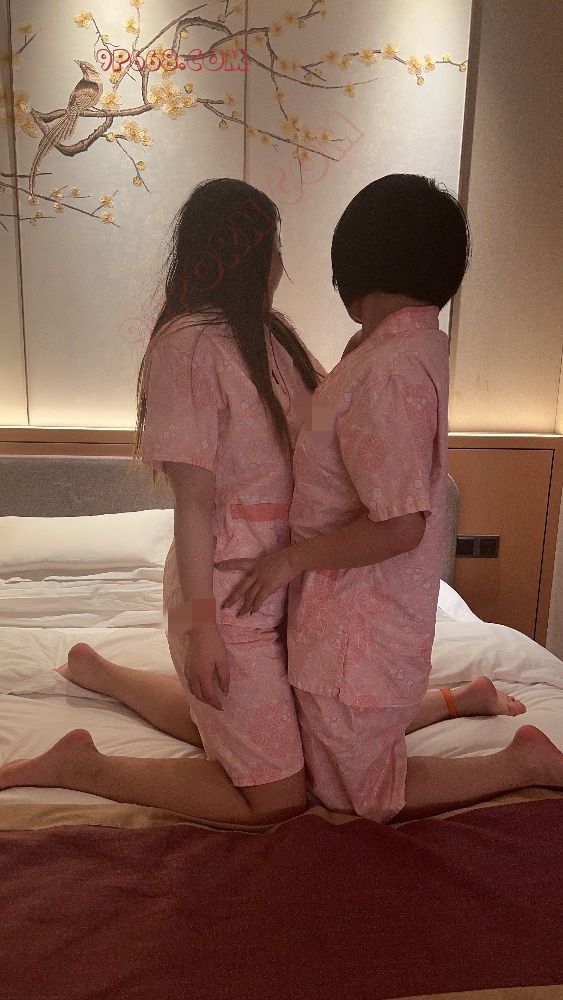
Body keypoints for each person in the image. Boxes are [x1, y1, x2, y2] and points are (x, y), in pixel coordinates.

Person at [0, 178, 558, 821]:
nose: (283, 268)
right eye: (276, 250)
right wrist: (201, 628)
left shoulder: (272, 339)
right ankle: (84, 764)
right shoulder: (186, 348)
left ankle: (100, 672)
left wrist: (362, 361)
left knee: (302, 744)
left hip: (289, 587)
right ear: (247, 254)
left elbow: (318, 439)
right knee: (279, 798)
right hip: (225, 593)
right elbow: (193, 504)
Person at [219, 174, 563, 822]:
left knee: (356, 795)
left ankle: (525, 762)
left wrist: (288, 560)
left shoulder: (389, 368)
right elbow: (338, 441)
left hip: (360, 616)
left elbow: (403, 525)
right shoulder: (395, 348)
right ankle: (463, 698)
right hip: (350, 607)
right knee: (328, 741)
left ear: (357, 269)